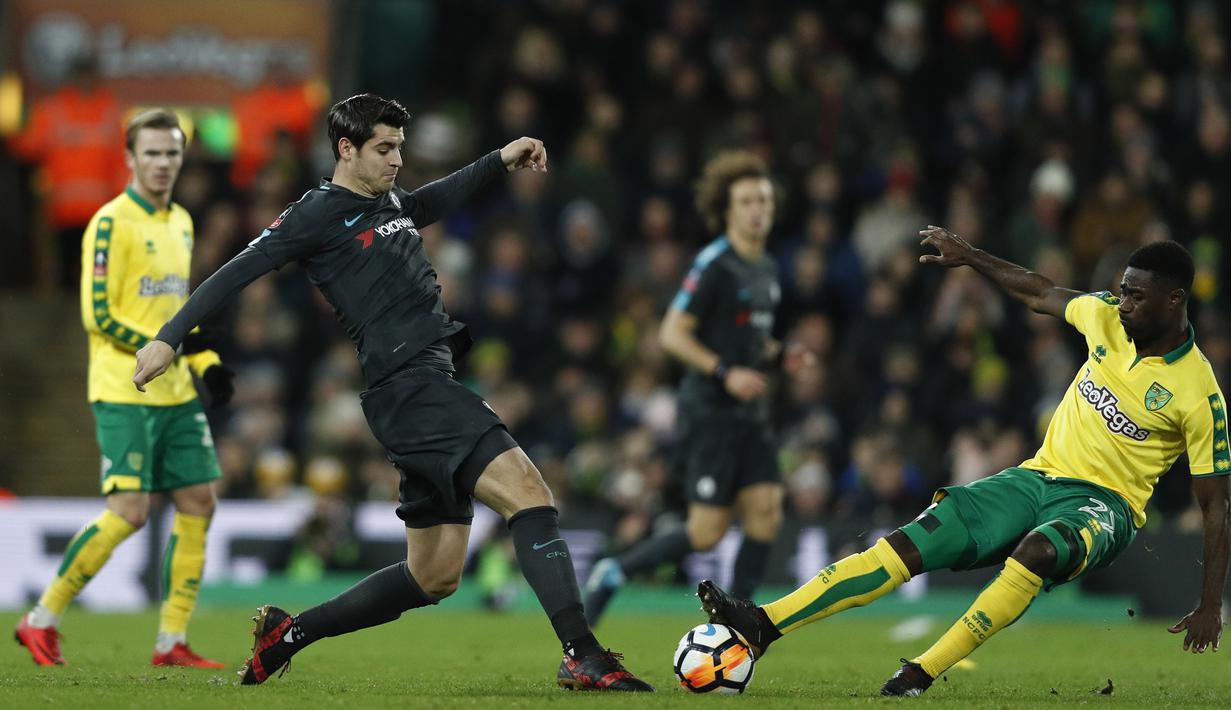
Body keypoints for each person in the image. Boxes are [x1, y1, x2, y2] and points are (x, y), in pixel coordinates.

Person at [131, 93, 653, 692]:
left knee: (433, 575)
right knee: (530, 496)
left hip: (418, 388)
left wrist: (498, 160)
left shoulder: (388, 202)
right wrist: (170, 338)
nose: (397, 159)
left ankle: (288, 635)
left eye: (401, 147)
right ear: (346, 149)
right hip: (411, 387)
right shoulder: (316, 214)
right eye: (384, 148)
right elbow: (235, 271)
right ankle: (582, 653)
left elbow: (433, 199)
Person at [696, 226, 1229, 697]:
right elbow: (1041, 291)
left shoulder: (1198, 393)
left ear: (1174, 300)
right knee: (909, 543)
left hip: (1106, 507)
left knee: (1039, 551)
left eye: (1136, 296)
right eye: (1122, 291)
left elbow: (1215, 505)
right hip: (1035, 477)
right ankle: (764, 624)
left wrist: (1210, 605)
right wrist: (972, 255)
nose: (1124, 303)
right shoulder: (1107, 319)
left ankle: (922, 670)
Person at [15, 109, 235, 668]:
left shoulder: (182, 221)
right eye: (152, 153)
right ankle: (41, 618)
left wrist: (204, 359)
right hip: (123, 387)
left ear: (182, 160)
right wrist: (160, 346)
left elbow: (181, 310)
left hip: (177, 390)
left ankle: (171, 641)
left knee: (199, 501)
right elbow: (97, 314)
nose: (162, 163)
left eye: (171, 154)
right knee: (130, 511)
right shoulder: (110, 223)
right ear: (129, 160)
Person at [583, 151, 813, 625]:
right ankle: (614, 569)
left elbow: (748, 335)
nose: (757, 210)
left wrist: (777, 353)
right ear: (726, 210)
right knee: (706, 532)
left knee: (766, 514)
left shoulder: (766, 267)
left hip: (750, 414)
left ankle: (738, 625)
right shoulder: (714, 264)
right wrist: (725, 371)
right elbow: (673, 334)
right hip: (710, 411)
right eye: (747, 201)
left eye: (764, 201)